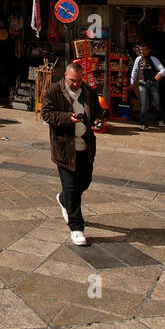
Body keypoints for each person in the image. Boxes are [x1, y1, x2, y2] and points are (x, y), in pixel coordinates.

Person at [41, 62, 103, 246]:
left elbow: (98, 111)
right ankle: (77, 228)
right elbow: (46, 114)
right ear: (65, 76)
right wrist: (68, 118)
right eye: (72, 80)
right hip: (65, 148)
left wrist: (98, 120)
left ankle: (63, 199)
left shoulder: (89, 92)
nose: (76, 84)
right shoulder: (54, 91)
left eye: (78, 80)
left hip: (85, 147)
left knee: (85, 182)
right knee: (71, 188)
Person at [130, 43, 165, 130]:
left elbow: (163, 70)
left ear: (149, 50)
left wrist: (160, 74)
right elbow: (134, 71)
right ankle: (144, 124)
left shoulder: (154, 59)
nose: (143, 51)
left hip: (153, 83)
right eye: (141, 50)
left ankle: (160, 119)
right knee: (143, 104)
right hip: (142, 84)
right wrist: (132, 82)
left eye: (145, 49)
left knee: (156, 103)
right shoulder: (138, 59)